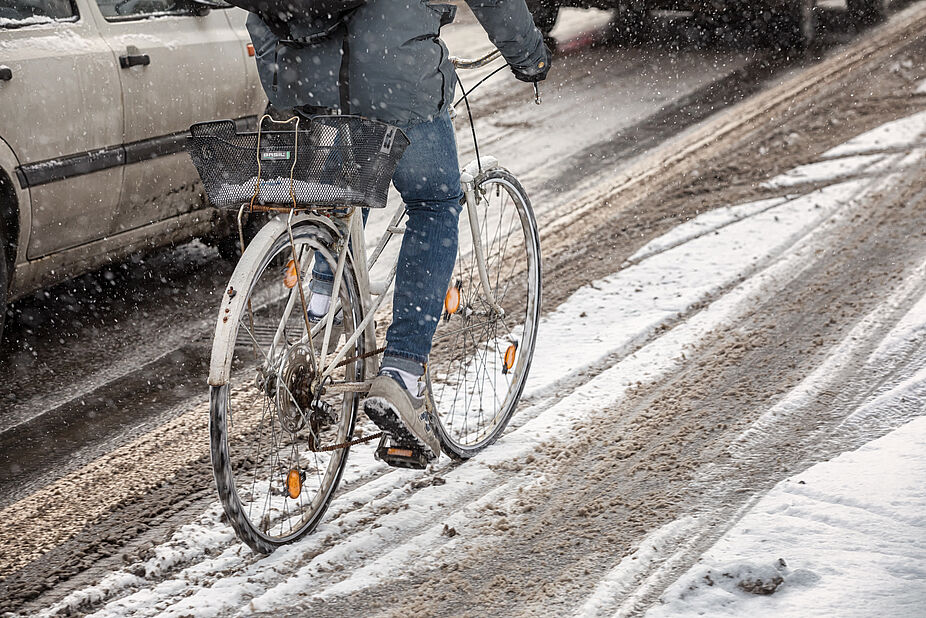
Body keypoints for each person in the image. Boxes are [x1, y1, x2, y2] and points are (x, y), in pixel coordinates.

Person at [246, 0, 551, 465]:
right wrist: (529, 55)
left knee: (344, 193)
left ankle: (315, 323)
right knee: (434, 203)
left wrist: (286, 75)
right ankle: (402, 375)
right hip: (395, 76)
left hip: (309, 81)